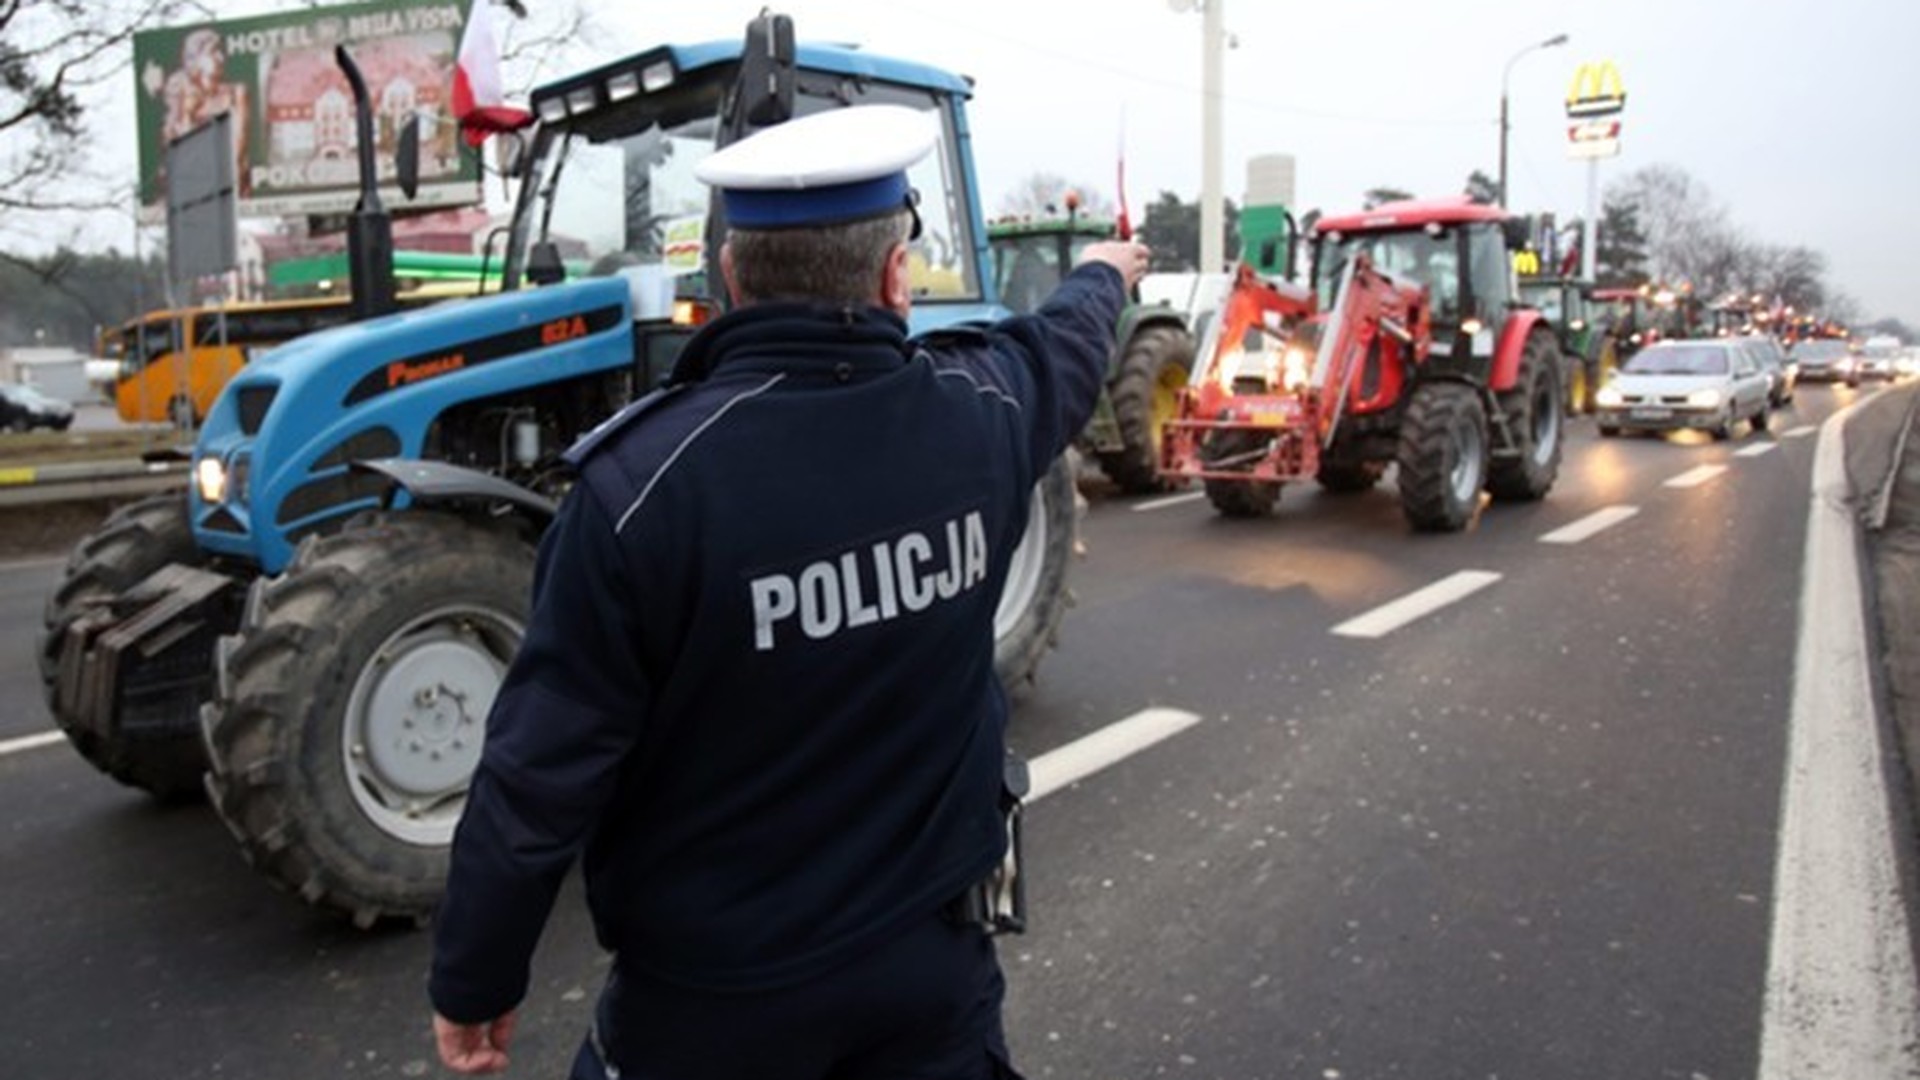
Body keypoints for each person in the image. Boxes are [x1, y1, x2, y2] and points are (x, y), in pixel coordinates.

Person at [427, 102, 1149, 1079]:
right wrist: (1105, 273)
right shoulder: (983, 414)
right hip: (932, 976)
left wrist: (477, 980)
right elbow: (1066, 341)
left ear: (730, 275)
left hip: (714, 1006)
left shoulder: (637, 493)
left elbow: (535, 780)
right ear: (899, 275)